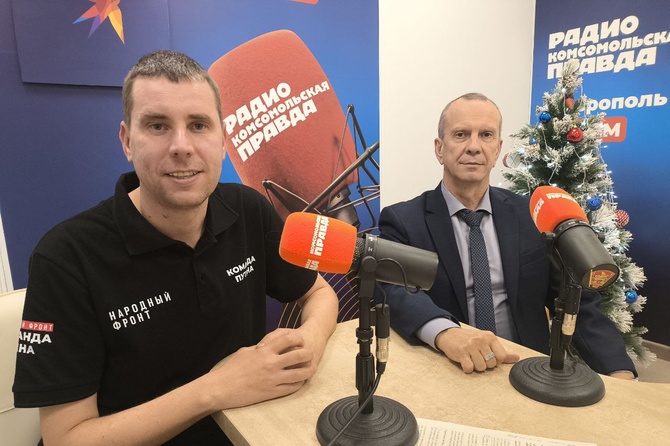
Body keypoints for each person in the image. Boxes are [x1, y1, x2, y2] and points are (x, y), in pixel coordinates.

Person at [12, 50, 339, 445]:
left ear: (223, 140)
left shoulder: (249, 210)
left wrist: (310, 343)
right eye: (158, 126)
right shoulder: (65, 257)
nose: (181, 146)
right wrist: (217, 389)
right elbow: (66, 439)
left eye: (198, 125)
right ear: (127, 142)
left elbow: (318, 293)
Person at [377, 92, 636, 379]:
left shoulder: (533, 215)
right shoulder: (404, 220)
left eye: (486, 135)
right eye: (461, 134)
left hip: (528, 370)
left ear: (498, 149)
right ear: (440, 149)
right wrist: (446, 333)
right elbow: (392, 290)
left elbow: (578, 300)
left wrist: (619, 370)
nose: (474, 147)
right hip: (449, 369)